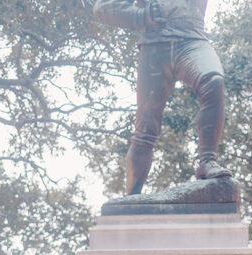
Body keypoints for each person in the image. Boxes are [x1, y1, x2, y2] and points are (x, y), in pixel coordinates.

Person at [91, 0, 231, 193]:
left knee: (213, 81)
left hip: (193, 41)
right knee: (145, 127)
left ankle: (207, 161)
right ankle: (131, 198)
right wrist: (142, 16)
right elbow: (104, 7)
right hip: (154, 47)